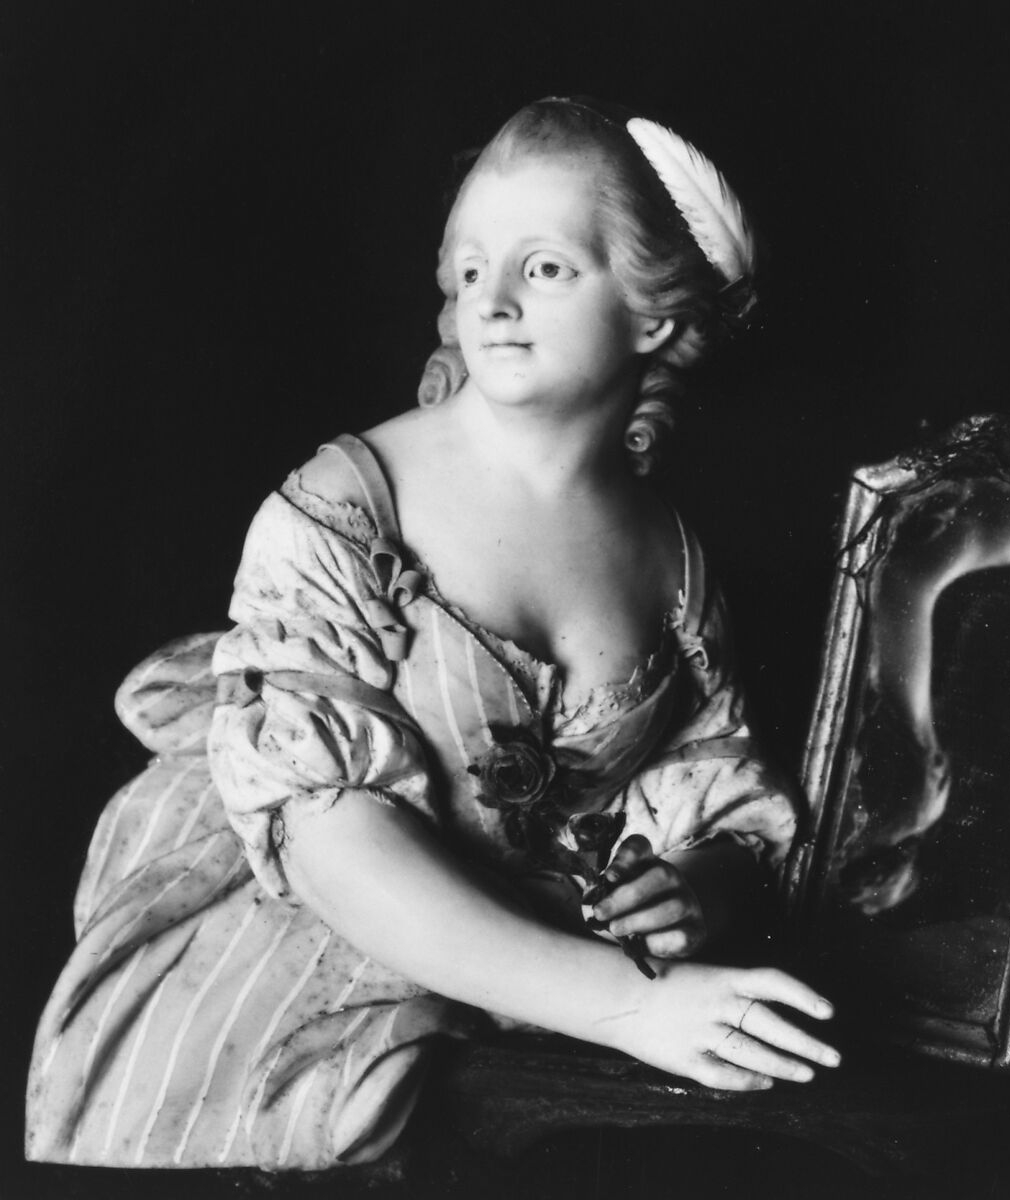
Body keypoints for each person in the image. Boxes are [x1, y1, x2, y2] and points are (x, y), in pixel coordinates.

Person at [26, 97, 839, 1172]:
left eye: (544, 268)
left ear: (650, 318)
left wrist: (689, 887)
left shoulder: (671, 559)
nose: (490, 303)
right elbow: (325, 834)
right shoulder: (347, 509)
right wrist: (624, 1004)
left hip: (542, 992)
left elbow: (718, 785)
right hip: (302, 969)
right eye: (468, 269)